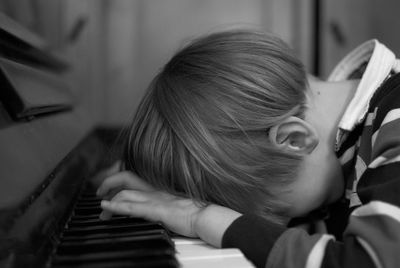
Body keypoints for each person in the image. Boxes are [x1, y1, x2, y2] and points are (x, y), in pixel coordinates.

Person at [96, 29, 400, 268]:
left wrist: (201, 219)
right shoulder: (334, 153)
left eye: (275, 212)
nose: (275, 223)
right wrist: (171, 191)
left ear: (294, 140)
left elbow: (369, 262)